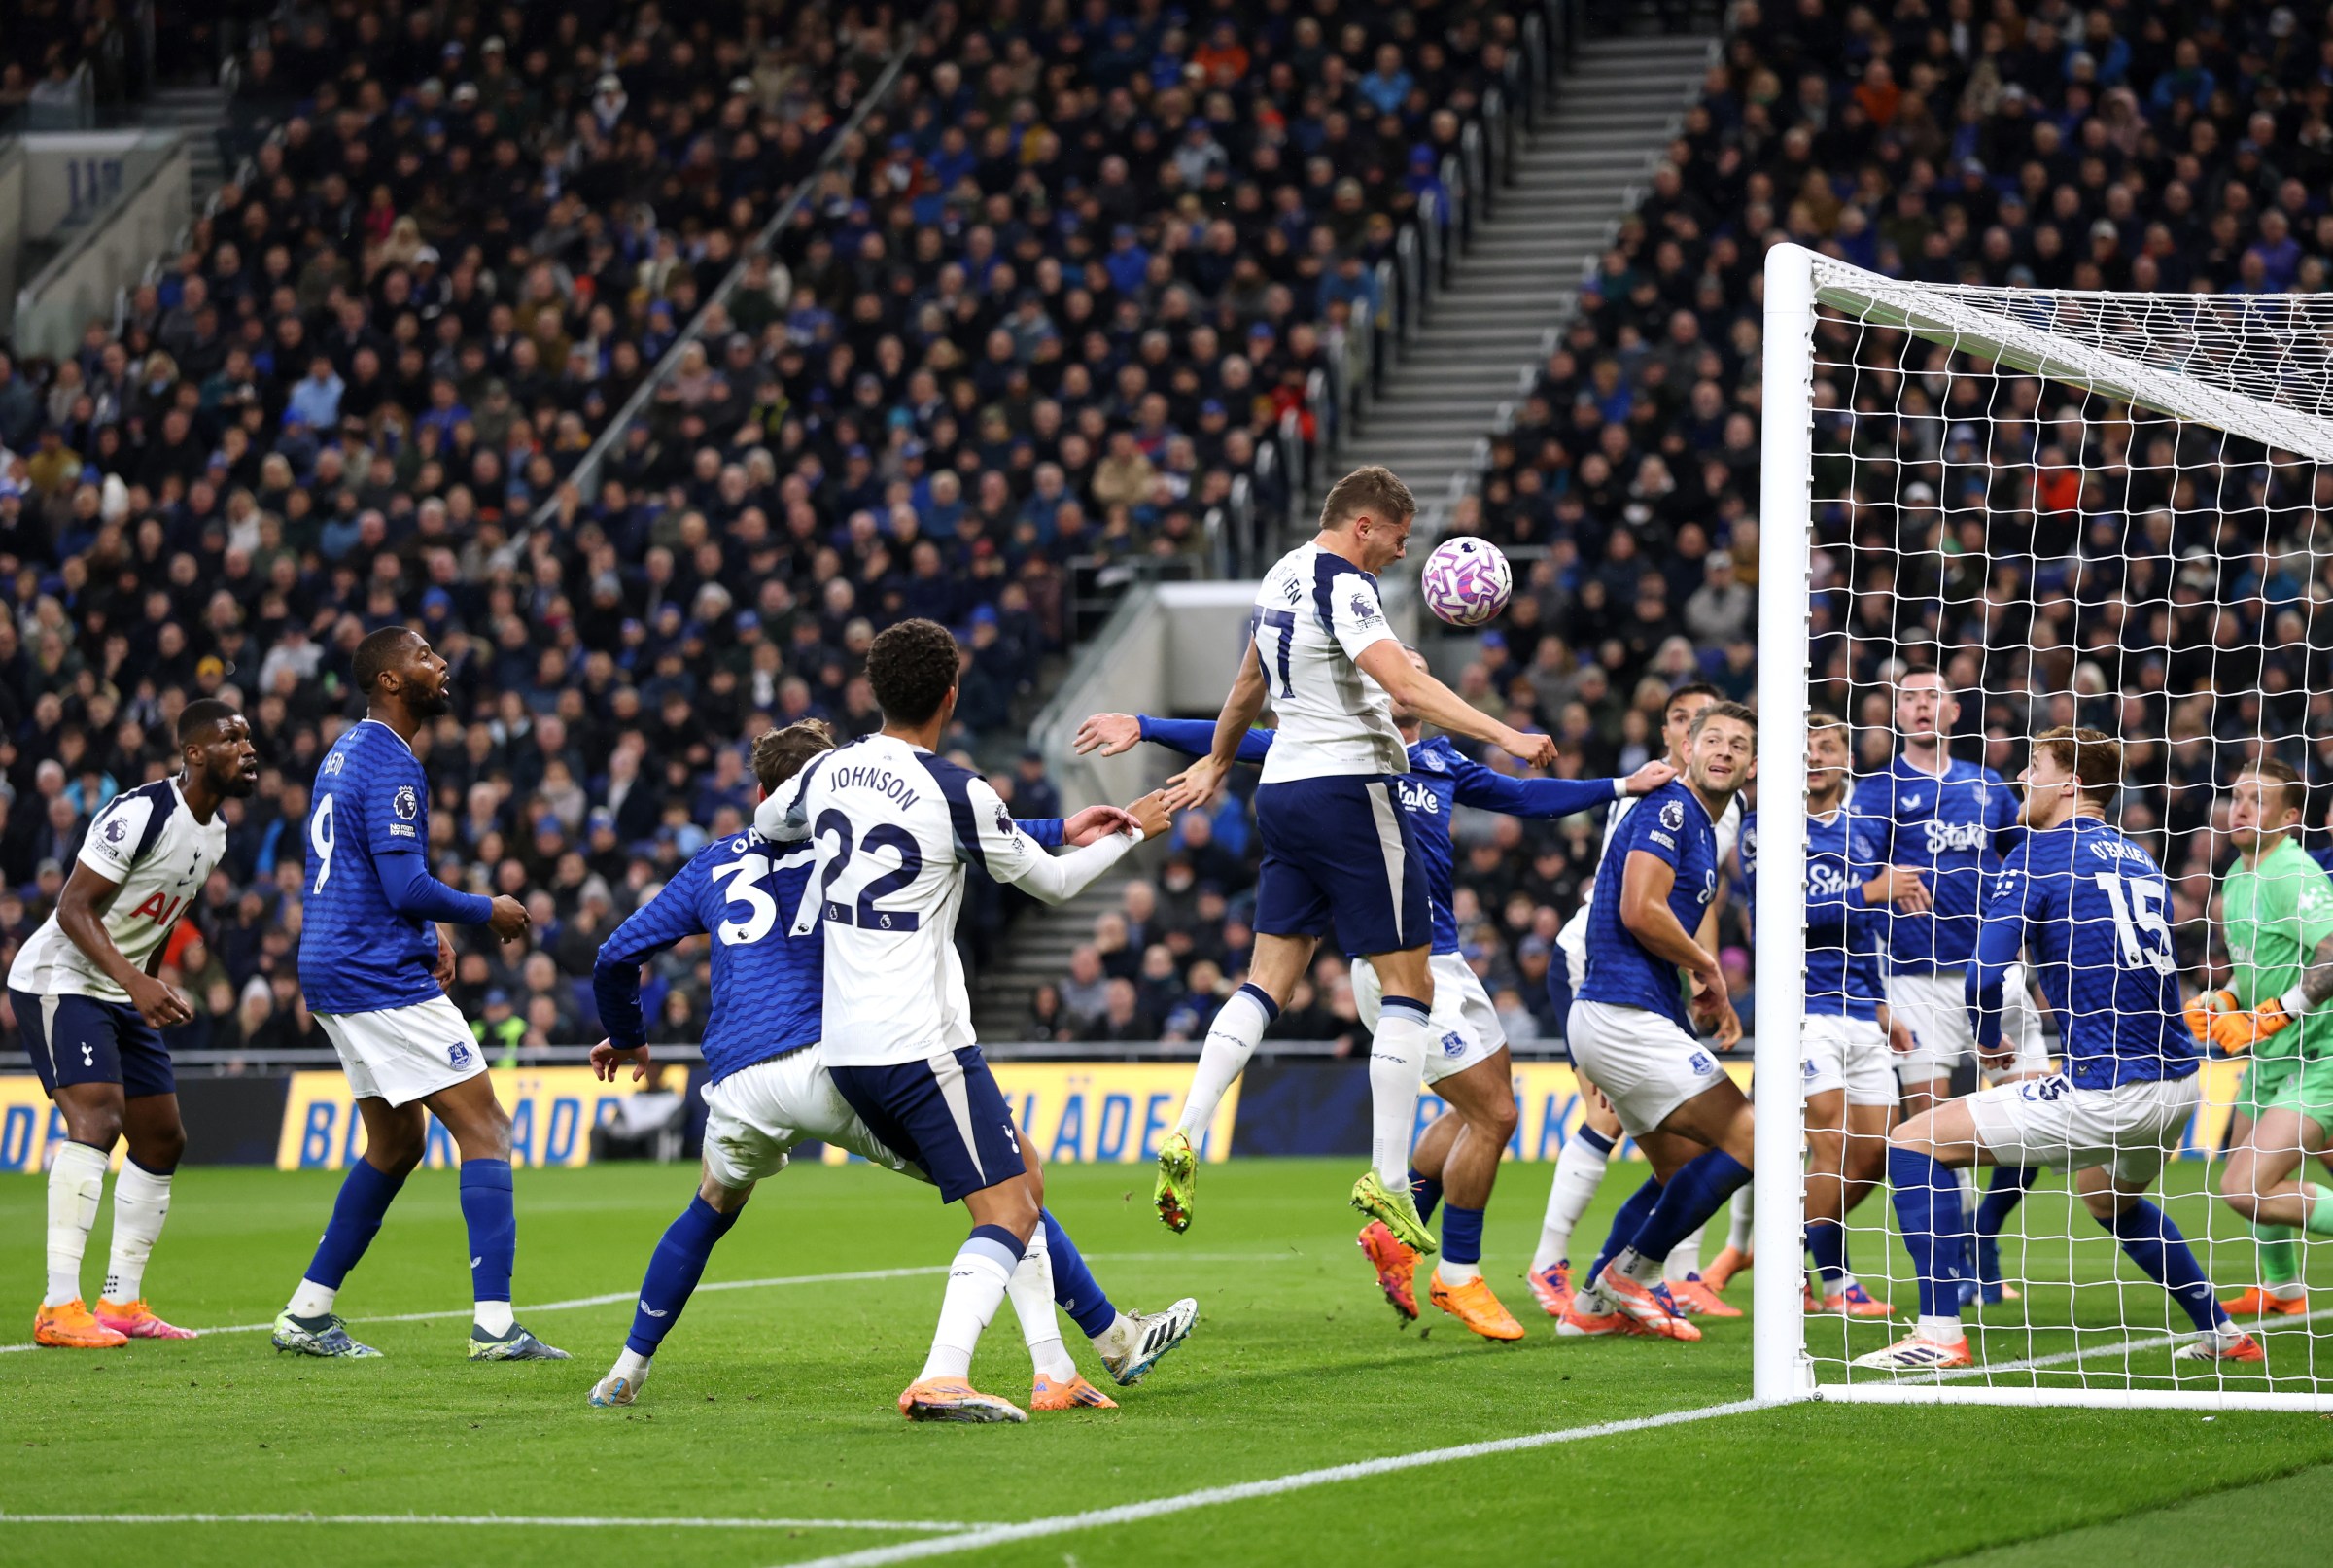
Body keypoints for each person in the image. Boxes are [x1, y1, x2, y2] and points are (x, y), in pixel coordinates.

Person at [586, 718, 1194, 1411]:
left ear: (761, 791)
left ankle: (626, 1370)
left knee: (710, 1207)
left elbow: (614, 956)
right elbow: (944, 827)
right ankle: (1106, 1339)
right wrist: (1057, 830)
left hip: (738, 1077)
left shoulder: (715, 861)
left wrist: (629, 1036)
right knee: (1007, 1183)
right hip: (832, 1058)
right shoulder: (851, 845)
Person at [1077, 663, 1669, 1340]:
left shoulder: (1444, 761)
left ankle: (1392, 1236)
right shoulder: (1341, 749)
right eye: (1395, 671)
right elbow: (1239, 737)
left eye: (1418, 670)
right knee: (1496, 1114)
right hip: (1395, 968)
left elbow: (1525, 796)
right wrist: (1148, 726)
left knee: (1485, 1107)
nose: (1405, 679)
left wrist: (1620, 784)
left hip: (1451, 960)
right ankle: (1459, 1275)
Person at [752, 618, 1152, 1423]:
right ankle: (941, 1373)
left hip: (849, 1048)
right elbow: (1053, 885)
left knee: (1024, 1184)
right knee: (1004, 1210)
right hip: (922, 1043)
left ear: (873, 691)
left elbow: (769, 825)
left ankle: (1054, 1371)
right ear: (951, 693)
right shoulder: (956, 787)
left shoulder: (827, 770)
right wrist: (1134, 829)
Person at [1150, 466, 1557, 1251]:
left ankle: (1186, 1127)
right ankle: (1387, 1174)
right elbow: (1404, 680)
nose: (1401, 555)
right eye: (1399, 539)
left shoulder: (1279, 578)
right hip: (1350, 790)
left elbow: (1244, 688)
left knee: (1268, 977)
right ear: (1365, 525)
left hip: (1284, 794)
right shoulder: (1344, 582)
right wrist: (1504, 735)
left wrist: (1215, 761)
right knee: (1409, 983)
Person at [1858, 727, 2261, 1371]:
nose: (2023, 776)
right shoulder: (2139, 857)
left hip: (2109, 1085)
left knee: (1913, 1141)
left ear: (2070, 782)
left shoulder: (2035, 854)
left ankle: (1937, 1333)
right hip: (2182, 1081)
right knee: (2109, 1201)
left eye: (2035, 765)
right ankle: (2220, 1329)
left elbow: (1983, 976)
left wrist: (1988, 1041)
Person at [269, 627, 555, 1362]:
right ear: (392, 681)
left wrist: (432, 933)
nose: (442, 663)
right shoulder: (394, 764)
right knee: (486, 1127)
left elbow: (372, 874)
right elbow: (401, 884)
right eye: (426, 656)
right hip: (375, 972)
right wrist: (486, 909)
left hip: (333, 963)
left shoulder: (344, 751)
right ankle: (496, 1327)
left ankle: (306, 1313)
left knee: (397, 1143)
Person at [13, 700, 259, 1347]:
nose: (249, 747)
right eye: (233, 737)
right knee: (97, 1120)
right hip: (59, 979)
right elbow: (72, 908)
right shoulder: (140, 813)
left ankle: (120, 1301)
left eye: (250, 737)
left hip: (121, 990)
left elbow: (159, 915)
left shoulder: (217, 833)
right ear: (196, 752)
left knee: (161, 1138)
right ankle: (58, 1307)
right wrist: (135, 981)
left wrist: (150, 985)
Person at [1529, 680, 1772, 1318]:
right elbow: (1640, 910)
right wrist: (1708, 970)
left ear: (1752, 765)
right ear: (1685, 747)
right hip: (1617, 1005)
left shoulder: (1714, 821)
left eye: (1739, 744)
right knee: (1755, 1136)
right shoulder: (1670, 805)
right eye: (1712, 739)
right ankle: (1629, 1273)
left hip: (1631, 1011)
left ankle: (1591, 1306)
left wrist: (1697, 981)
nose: (1724, 750)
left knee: (1684, 1167)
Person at [1840, 670, 2045, 1307]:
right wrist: (1882, 880)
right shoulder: (1876, 792)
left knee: (2041, 1123)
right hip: (1915, 980)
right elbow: (1853, 869)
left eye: (1933, 696)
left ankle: (1984, 1230)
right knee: (1931, 1135)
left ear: (1953, 711)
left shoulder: (1987, 786)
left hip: (1994, 975)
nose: (1922, 705)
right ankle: (1954, 1267)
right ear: (1896, 712)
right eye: (1910, 697)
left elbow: (2025, 862)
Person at [1737, 713, 1918, 1318]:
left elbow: (1864, 932)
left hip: (1860, 1009)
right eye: (1804, 747)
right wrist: (1869, 893)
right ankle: (1832, 1282)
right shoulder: (1767, 826)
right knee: (1832, 1140)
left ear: (1845, 760)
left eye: (1827, 747)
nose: (1815, 756)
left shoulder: (1866, 831)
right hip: (1803, 1007)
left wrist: (1882, 1005)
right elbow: (1778, 915)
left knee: (1874, 1152)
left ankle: (1789, 1254)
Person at [2190, 759, 2333, 1316]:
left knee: (2244, 1188)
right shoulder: (2237, 876)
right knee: (2250, 1184)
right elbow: (2254, 971)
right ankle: (2283, 1291)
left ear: (2290, 816)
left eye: (2258, 799)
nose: (2241, 808)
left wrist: (2279, 1011)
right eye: (2236, 796)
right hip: (2269, 1060)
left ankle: (2283, 1290)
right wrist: (2224, 999)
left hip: (2317, 1059)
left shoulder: (2294, 875)